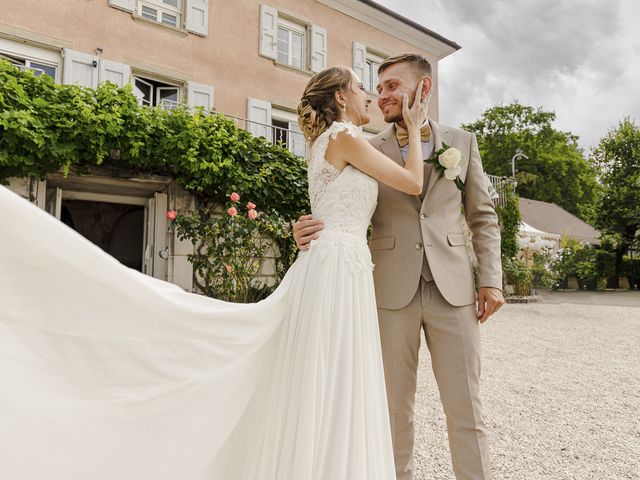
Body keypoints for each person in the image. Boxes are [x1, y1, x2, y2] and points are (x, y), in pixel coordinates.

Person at [0, 65, 426, 480]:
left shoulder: (323, 144)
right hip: (337, 266)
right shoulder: (347, 136)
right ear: (340, 98)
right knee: (336, 370)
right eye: (361, 88)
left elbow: (332, 204)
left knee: (324, 368)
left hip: (332, 260)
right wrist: (415, 124)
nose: (369, 96)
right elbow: (411, 183)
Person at [293, 53, 504, 480]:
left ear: (422, 89)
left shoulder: (461, 143)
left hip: (454, 291)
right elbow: (336, 206)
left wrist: (492, 281)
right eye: (377, 86)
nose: (381, 94)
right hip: (389, 291)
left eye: (391, 86)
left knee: (467, 408)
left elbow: (482, 216)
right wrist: (298, 229)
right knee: (390, 410)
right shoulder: (362, 145)